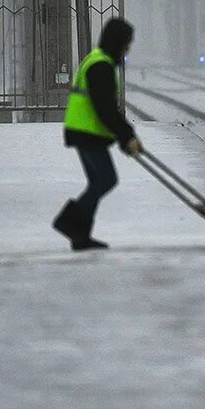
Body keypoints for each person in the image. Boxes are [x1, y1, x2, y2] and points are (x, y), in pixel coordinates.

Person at [52, 17, 143, 250]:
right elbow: (105, 109)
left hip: (84, 131)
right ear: (117, 43)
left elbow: (106, 110)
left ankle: (80, 235)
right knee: (105, 179)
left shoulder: (98, 61)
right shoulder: (101, 66)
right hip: (86, 131)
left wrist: (125, 136)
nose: (127, 50)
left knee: (99, 180)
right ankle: (70, 224)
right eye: (126, 44)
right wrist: (126, 135)